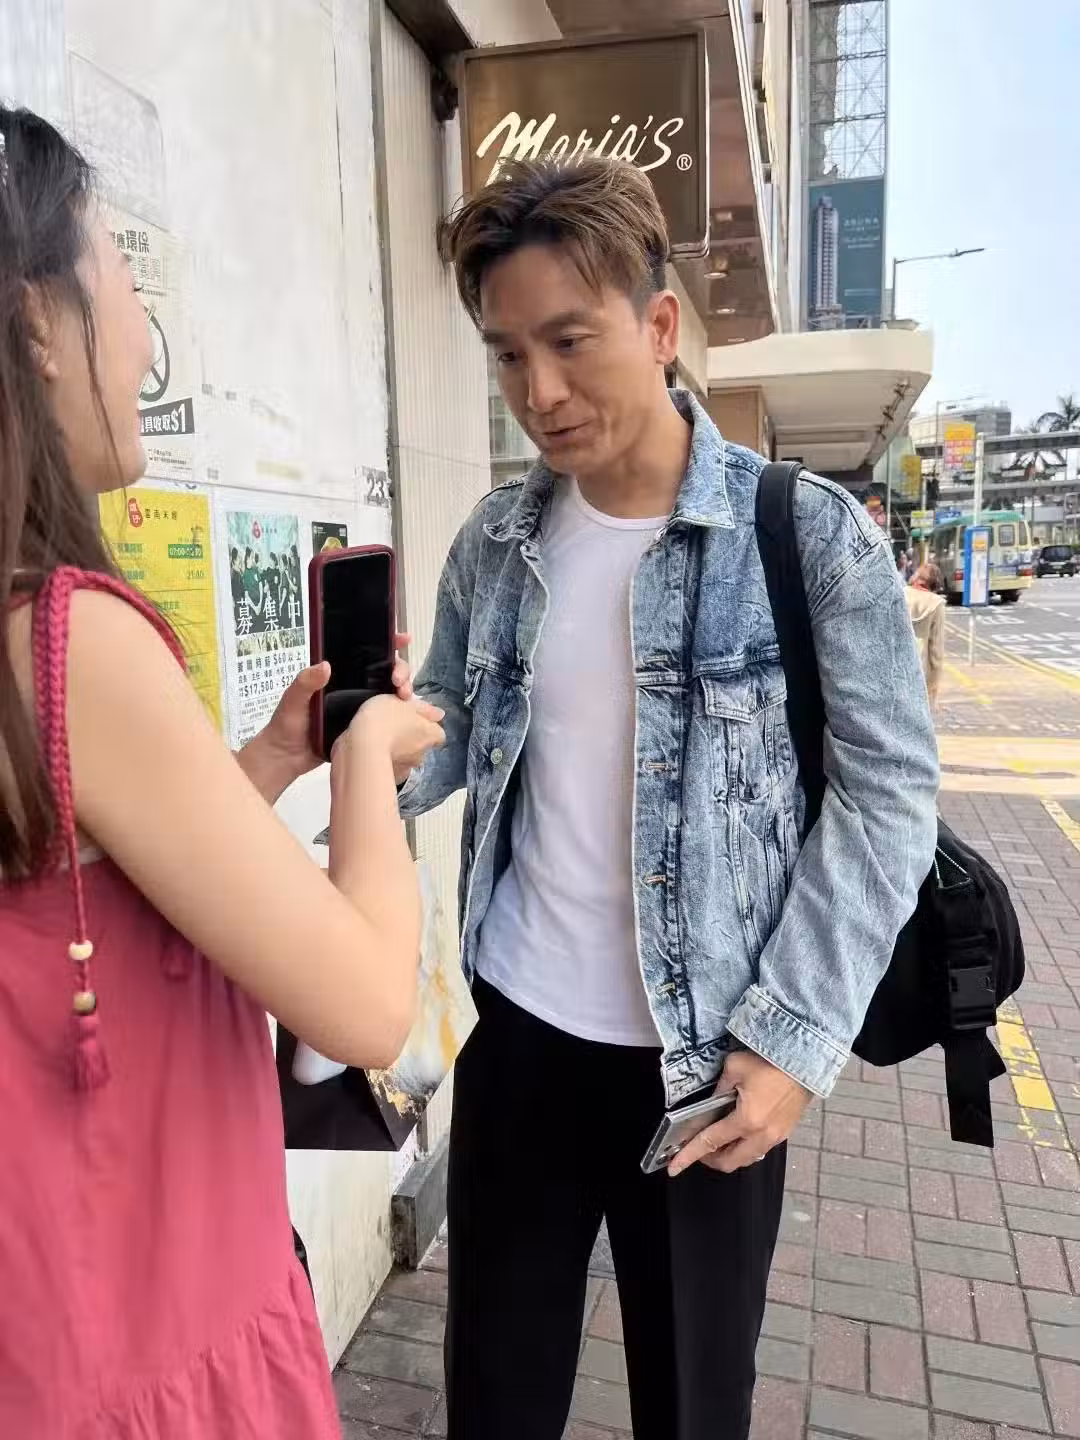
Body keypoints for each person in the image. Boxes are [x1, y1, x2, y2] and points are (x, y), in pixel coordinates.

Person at [395, 155, 939, 1440]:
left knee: (693, 1405)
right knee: (495, 1396)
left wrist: (793, 1043)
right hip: (518, 1034)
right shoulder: (497, 541)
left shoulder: (805, 535)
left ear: (657, 325)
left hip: (711, 1068)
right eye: (507, 354)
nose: (539, 390)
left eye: (569, 341)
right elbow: (450, 727)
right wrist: (354, 747)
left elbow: (887, 798)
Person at [0, 106, 444, 1436]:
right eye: (124, 277)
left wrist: (258, 765)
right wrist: (364, 760)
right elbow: (366, 1004)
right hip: (154, 1323)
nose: (148, 342)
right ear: (38, 324)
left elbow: (76, 891)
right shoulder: (69, 638)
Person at [905, 562, 948, 709]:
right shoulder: (936, 604)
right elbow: (936, 651)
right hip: (920, 672)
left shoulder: (900, 594)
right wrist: (933, 687)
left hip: (895, 669)